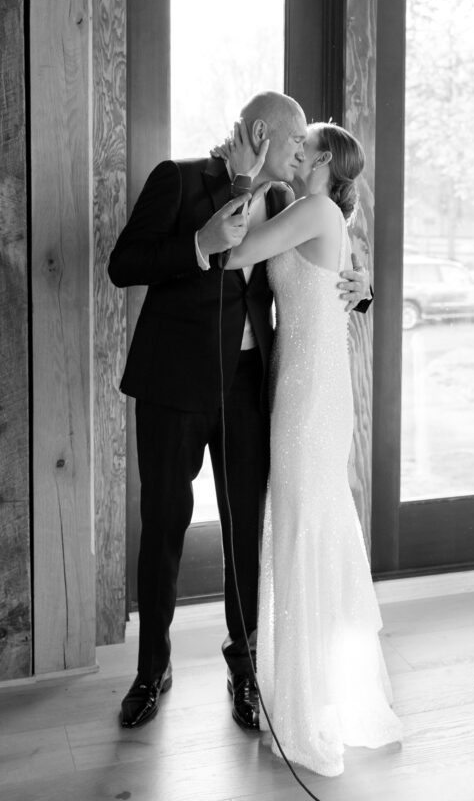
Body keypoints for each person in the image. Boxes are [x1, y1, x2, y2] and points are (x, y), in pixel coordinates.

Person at [108, 91, 371, 732]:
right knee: (164, 527)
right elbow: (124, 265)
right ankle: (152, 670)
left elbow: (326, 261)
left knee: (244, 534)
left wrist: (362, 290)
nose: (302, 150)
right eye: (295, 140)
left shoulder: (287, 200)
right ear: (261, 131)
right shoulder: (176, 179)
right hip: (171, 388)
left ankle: (245, 669)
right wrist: (197, 243)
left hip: (253, 388)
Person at [222, 121, 402, 777]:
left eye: (303, 145)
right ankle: (299, 683)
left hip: (312, 387)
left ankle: (309, 699)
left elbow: (235, 254)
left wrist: (252, 173)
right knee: (302, 519)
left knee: (303, 520)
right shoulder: (305, 208)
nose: (293, 150)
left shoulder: (316, 208)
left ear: (323, 158)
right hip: (298, 374)